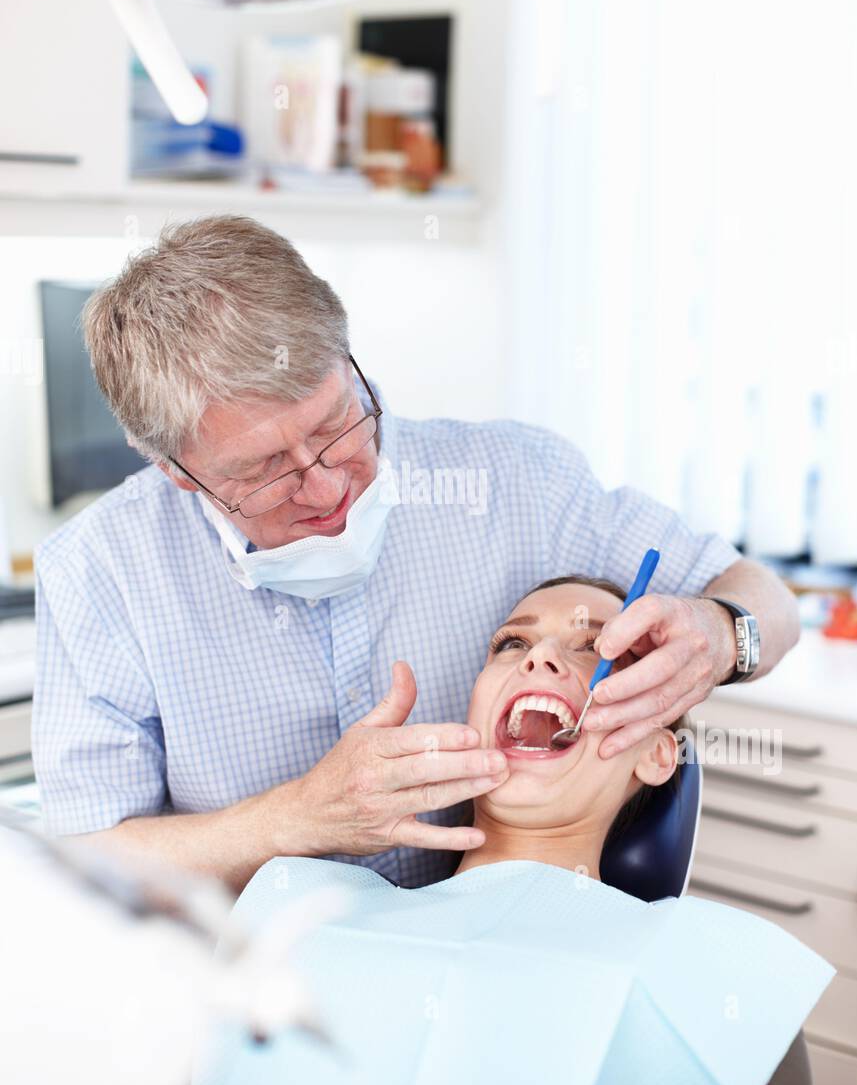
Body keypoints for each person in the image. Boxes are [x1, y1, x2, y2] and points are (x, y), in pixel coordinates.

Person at [32, 215, 801, 894]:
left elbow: (764, 600)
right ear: (176, 470)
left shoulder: (516, 483)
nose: (326, 483)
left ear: (350, 361)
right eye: (263, 471)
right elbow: (85, 866)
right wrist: (294, 819)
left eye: (338, 423)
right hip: (255, 1002)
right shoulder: (100, 576)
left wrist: (724, 631)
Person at [185, 574, 828, 1085]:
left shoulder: (724, 980)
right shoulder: (299, 910)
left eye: (596, 649)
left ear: (658, 754)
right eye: (511, 645)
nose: (541, 658)